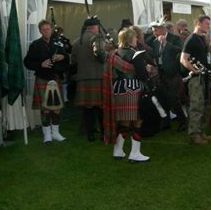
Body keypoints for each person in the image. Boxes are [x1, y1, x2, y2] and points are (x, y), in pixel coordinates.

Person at [103, 28, 150, 162]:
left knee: (123, 121)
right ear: (130, 39)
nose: (136, 40)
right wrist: (147, 69)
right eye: (135, 38)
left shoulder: (115, 53)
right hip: (133, 89)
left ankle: (117, 151)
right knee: (137, 120)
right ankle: (135, 153)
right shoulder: (134, 54)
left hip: (118, 89)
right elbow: (142, 74)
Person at [24, 20, 69, 143]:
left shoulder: (58, 44)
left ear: (51, 29)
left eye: (48, 29)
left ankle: (56, 133)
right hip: (42, 78)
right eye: (43, 29)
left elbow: (67, 59)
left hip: (55, 78)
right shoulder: (35, 45)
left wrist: (63, 57)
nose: (46, 31)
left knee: (56, 108)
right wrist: (41, 64)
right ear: (40, 31)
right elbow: (27, 62)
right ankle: (47, 135)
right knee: (45, 108)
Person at [72, 17, 106, 142]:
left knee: (88, 109)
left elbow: (73, 61)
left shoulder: (76, 41)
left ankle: (90, 134)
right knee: (101, 108)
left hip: (83, 79)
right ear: (94, 27)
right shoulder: (96, 38)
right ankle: (103, 133)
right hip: (97, 77)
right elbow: (100, 55)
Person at [180, 16, 211, 146]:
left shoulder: (202, 38)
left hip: (205, 77)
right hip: (196, 79)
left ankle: (201, 132)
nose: (208, 26)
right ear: (198, 23)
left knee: (206, 106)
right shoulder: (191, 39)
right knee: (197, 106)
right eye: (206, 24)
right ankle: (194, 135)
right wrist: (194, 70)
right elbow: (183, 59)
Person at [151, 20, 187, 131]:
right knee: (163, 98)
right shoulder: (155, 42)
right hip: (161, 73)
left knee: (173, 98)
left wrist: (167, 44)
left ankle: (183, 121)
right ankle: (166, 122)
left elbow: (181, 51)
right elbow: (156, 55)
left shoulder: (174, 38)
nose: (154, 32)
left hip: (172, 73)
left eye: (156, 30)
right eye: (153, 30)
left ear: (163, 28)